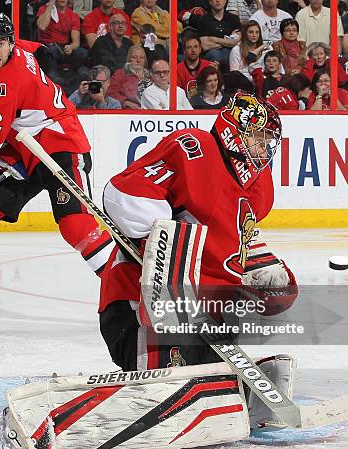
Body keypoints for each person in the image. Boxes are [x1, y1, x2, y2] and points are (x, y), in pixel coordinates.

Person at [98, 91, 297, 375]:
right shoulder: (196, 149)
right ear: (235, 130)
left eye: (268, 141)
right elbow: (124, 195)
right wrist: (165, 242)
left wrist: (272, 280)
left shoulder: (259, 186)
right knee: (167, 379)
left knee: (211, 377)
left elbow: (243, 243)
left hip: (209, 313)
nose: (265, 149)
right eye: (258, 137)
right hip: (135, 299)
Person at [0, 15, 115, 312]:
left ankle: (125, 289)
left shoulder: (1, 83)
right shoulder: (21, 51)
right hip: (25, 152)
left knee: (75, 225)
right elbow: (45, 52)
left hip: (61, 146)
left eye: (1, 44)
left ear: (10, 43)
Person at [36, 0, 86, 84]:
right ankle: (55, 81)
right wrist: (50, 6)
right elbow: (42, 26)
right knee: (51, 51)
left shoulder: (73, 16)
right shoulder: (44, 9)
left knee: (82, 52)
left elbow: (76, 42)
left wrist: (71, 47)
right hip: (46, 46)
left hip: (63, 47)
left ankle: (79, 79)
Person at [195, 0, 242, 71]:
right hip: (211, 53)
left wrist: (213, 39)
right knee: (216, 55)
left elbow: (237, 41)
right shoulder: (203, 20)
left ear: (225, 1)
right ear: (210, 2)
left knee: (230, 54)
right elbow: (204, 45)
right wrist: (228, 42)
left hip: (231, 51)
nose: (218, 1)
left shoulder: (233, 19)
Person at [108, 44, 151, 108]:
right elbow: (111, 92)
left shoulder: (151, 76)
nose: (138, 61)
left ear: (145, 61)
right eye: (134, 57)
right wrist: (126, 102)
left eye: (141, 57)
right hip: (128, 111)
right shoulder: (120, 73)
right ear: (129, 59)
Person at [177, 33, 215, 100]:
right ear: (184, 51)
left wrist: (216, 72)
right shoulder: (177, 69)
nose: (193, 50)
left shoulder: (209, 66)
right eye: (189, 47)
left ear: (200, 49)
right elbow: (178, 95)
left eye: (196, 47)